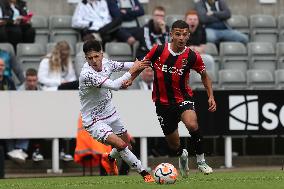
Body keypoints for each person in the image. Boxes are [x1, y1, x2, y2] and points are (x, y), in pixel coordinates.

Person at [124, 20, 216, 176]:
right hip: (162, 104)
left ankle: (201, 161)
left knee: (192, 125)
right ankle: (182, 153)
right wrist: (132, 78)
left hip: (183, 98)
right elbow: (142, 64)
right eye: (178, 34)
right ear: (171, 35)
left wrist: (211, 96)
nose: (181, 37)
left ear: (188, 36)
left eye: (185, 35)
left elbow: (204, 76)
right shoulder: (158, 50)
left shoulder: (193, 56)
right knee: (173, 144)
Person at [78, 39, 154, 182]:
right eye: (90, 58)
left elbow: (128, 65)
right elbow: (113, 85)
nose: (94, 61)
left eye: (96, 56)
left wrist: (145, 63)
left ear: (101, 54)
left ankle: (109, 158)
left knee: (128, 145)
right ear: (85, 58)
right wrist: (132, 71)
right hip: (93, 120)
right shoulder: (86, 74)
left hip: (110, 112)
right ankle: (145, 174)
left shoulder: (107, 63)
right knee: (120, 145)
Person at [14, 68, 44, 162]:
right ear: (25, 80)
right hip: (22, 119)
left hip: (38, 119)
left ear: (37, 80)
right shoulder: (19, 92)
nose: (32, 83)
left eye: (34, 80)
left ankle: (28, 151)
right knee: (26, 123)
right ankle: (23, 150)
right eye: (29, 80)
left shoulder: (42, 91)